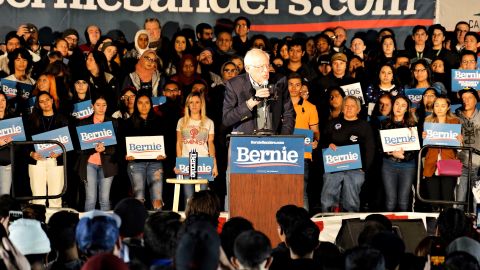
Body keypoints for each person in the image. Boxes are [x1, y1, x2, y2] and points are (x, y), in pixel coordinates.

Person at [223, 48, 295, 135]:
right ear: (247, 68)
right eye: (260, 67)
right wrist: (251, 102)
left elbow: (289, 114)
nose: (266, 70)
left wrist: (284, 139)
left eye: (267, 65)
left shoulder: (279, 81)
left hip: (275, 141)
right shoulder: (234, 85)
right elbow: (227, 119)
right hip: (245, 141)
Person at [321, 96, 375, 212]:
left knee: (351, 202)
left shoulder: (364, 126)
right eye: (346, 105)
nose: (349, 108)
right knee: (327, 200)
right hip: (334, 167)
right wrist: (328, 145)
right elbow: (323, 142)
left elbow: (370, 149)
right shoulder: (332, 123)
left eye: (352, 106)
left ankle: (350, 224)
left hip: (356, 169)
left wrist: (364, 168)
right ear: (342, 108)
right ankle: (327, 221)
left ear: (358, 109)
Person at [123, 92, 166, 210]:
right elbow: (122, 145)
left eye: (147, 102)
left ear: (151, 105)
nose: (144, 106)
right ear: (136, 105)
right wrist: (126, 155)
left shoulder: (160, 121)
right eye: (140, 103)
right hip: (136, 164)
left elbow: (166, 142)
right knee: (138, 199)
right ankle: (138, 227)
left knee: (157, 199)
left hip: (156, 164)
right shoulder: (127, 123)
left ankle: (158, 227)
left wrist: (164, 154)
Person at [76, 96, 118, 211]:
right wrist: (94, 148)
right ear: (92, 106)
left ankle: (105, 227)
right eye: (98, 104)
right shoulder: (83, 124)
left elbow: (119, 146)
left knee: (104, 199)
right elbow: (78, 149)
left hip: (108, 164)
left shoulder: (113, 122)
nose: (101, 107)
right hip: (89, 164)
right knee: (90, 198)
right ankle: (87, 227)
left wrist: (105, 149)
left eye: (104, 105)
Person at [27, 92, 68, 207]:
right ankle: (38, 223)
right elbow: (24, 144)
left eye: (47, 100)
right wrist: (31, 154)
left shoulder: (63, 119)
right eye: (41, 101)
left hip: (55, 161)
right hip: (37, 161)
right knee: (37, 197)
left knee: (55, 197)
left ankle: (55, 224)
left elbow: (69, 141)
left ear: (52, 100)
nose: (45, 103)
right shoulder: (32, 120)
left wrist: (60, 152)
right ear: (38, 105)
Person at [176, 92, 218, 203]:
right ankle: (190, 219)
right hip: (186, 161)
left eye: (197, 102)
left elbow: (211, 143)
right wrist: (178, 163)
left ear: (201, 104)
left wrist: (214, 164)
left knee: (202, 197)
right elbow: (179, 143)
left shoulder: (209, 122)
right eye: (191, 102)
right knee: (188, 197)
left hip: (204, 162)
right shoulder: (181, 121)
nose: (194, 105)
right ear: (187, 105)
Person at [380, 95, 418, 211]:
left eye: (403, 105)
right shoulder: (384, 123)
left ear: (407, 109)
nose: (399, 107)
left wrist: (403, 156)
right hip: (388, 165)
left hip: (407, 166)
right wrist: (391, 153)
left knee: (403, 201)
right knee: (390, 201)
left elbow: (416, 149)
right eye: (397, 104)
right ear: (392, 105)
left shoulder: (413, 125)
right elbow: (379, 146)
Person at [287, 73, 319, 210]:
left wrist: (316, 140)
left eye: (297, 84)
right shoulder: (278, 105)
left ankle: (304, 225)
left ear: (301, 87)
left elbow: (315, 130)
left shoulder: (311, 107)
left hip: (302, 154)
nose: (294, 88)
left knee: (301, 191)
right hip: (280, 153)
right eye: (291, 84)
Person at [422, 96, 462, 204]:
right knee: (433, 200)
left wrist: (460, 141)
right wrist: (424, 138)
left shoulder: (455, 122)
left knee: (447, 199)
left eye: (443, 106)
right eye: (437, 105)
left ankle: (448, 220)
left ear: (448, 107)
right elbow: (424, 147)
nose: (439, 108)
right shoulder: (428, 121)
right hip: (431, 163)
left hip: (449, 163)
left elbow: (459, 149)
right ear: (433, 107)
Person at [455, 88, 480, 207]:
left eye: (469, 98)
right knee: (459, 200)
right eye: (463, 98)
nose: (466, 101)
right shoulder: (455, 118)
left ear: (476, 100)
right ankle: (457, 224)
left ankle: (477, 224)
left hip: (479, 165)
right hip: (461, 164)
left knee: (478, 201)